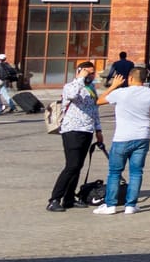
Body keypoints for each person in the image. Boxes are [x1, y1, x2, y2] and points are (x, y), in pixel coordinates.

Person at [93, 67, 150, 214]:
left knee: (114, 172)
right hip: (142, 137)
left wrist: (114, 85)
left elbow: (99, 101)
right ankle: (131, 205)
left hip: (122, 137)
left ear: (130, 78)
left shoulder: (120, 93)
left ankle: (110, 205)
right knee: (136, 172)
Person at [48, 60, 101, 211]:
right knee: (71, 166)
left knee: (78, 166)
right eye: (88, 72)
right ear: (80, 71)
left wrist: (98, 129)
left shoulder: (91, 88)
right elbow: (71, 95)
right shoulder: (70, 86)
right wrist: (80, 79)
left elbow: (94, 108)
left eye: (92, 73)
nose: (91, 75)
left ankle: (69, 198)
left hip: (87, 130)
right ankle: (54, 199)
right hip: (72, 130)